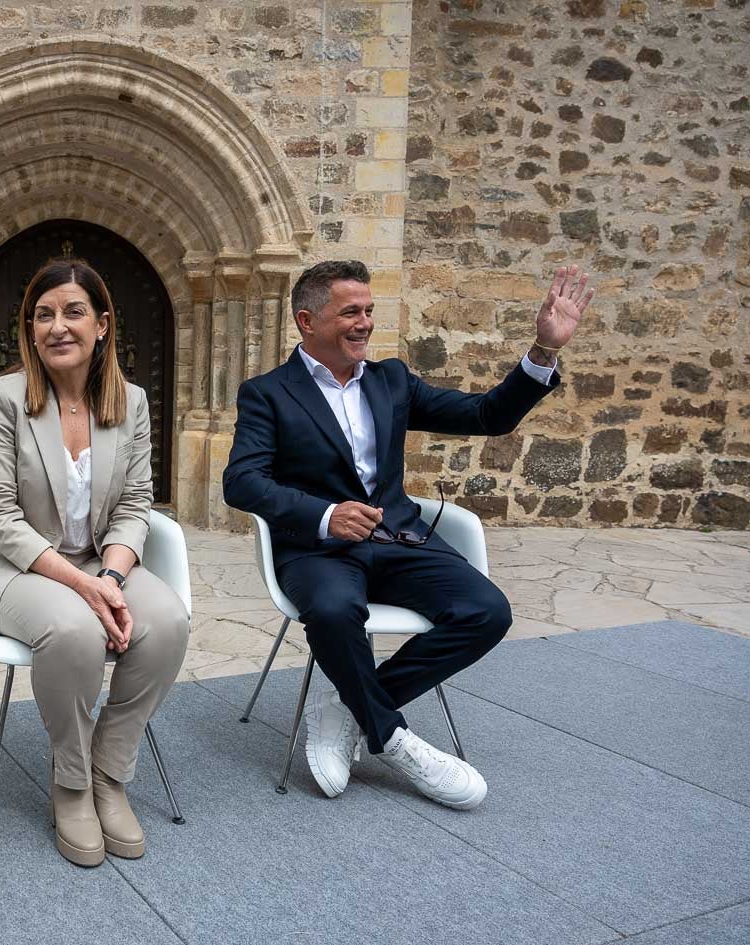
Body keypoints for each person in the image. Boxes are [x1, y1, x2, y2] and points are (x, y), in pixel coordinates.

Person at [223, 260, 592, 810]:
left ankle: (350, 708)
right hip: (318, 548)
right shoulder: (267, 394)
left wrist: (543, 351)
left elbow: (487, 415)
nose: (365, 323)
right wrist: (326, 515)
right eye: (351, 312)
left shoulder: (391, 379)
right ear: (307, 320)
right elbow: (242, 481)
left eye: (369, 311)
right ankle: (393, 739)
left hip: (398, 538)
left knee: (486, 611)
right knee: (331, 611)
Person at [0, 259, 190, 866]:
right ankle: (70, 781)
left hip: (97, 559)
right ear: (29, 329)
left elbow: (136, 503)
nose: (57, 327)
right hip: (13, 568)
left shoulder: (132, 402)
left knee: (167, 623)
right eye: (43, 315)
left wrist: (110, 578)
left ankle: (109, 772)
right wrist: (85, 590)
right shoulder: (1, 398)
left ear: (104, 324)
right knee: (73, 628)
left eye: (73, 311)